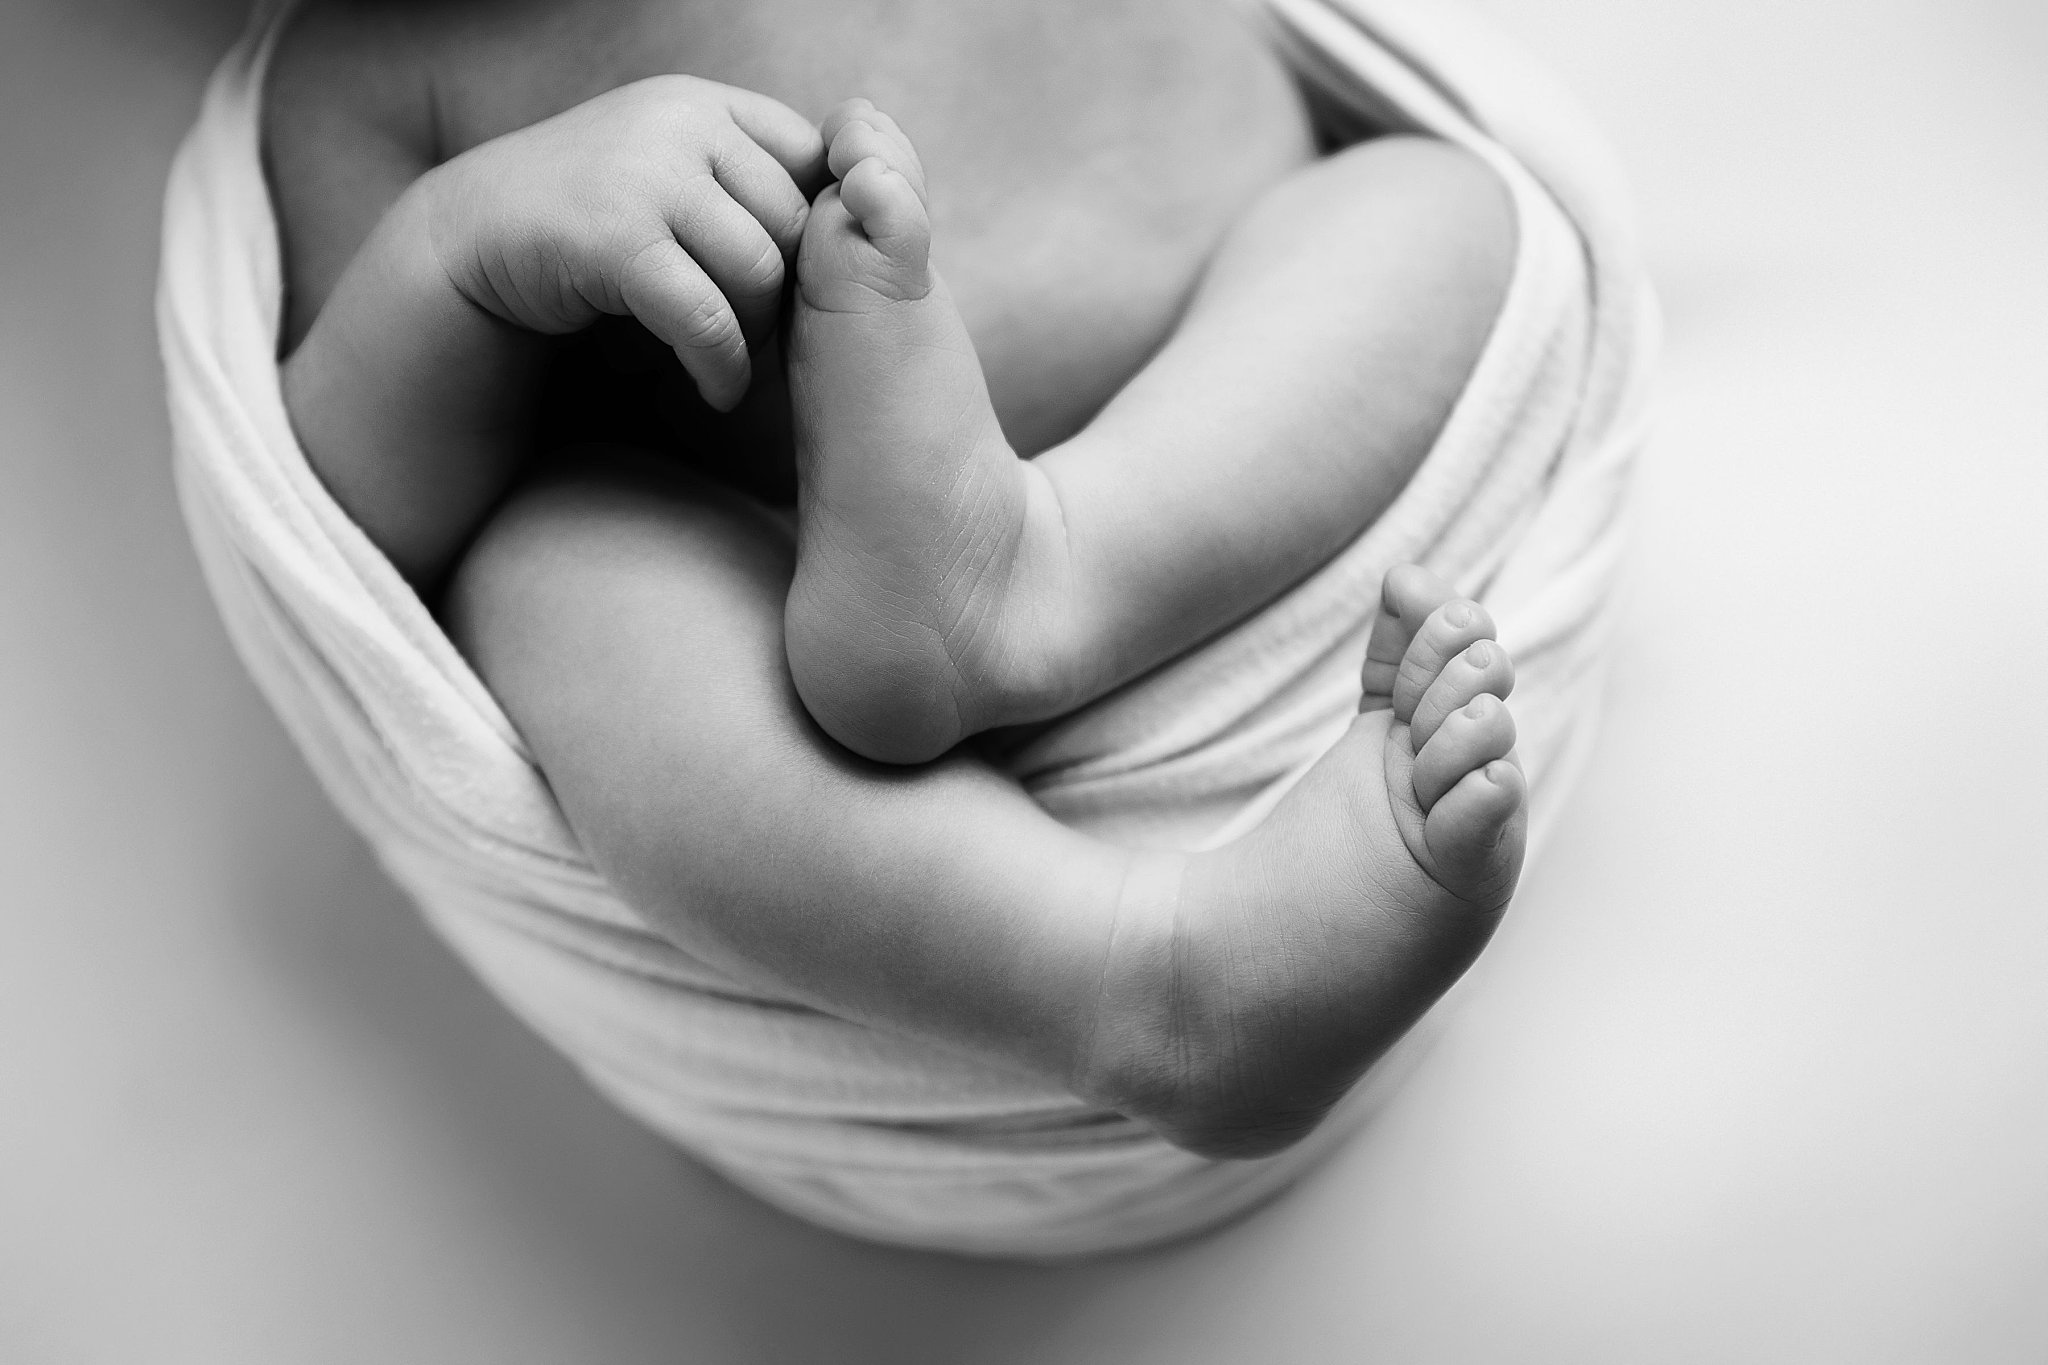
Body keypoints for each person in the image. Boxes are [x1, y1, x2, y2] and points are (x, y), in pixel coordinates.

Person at [266, 0, 1525, 1158]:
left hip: (1243, 440)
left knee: (1437, 197)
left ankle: (1053, 569)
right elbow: (360, 540)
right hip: (791, 643)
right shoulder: (368, 69)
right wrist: (455, 251)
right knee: (541, 566)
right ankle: (1144, 977)